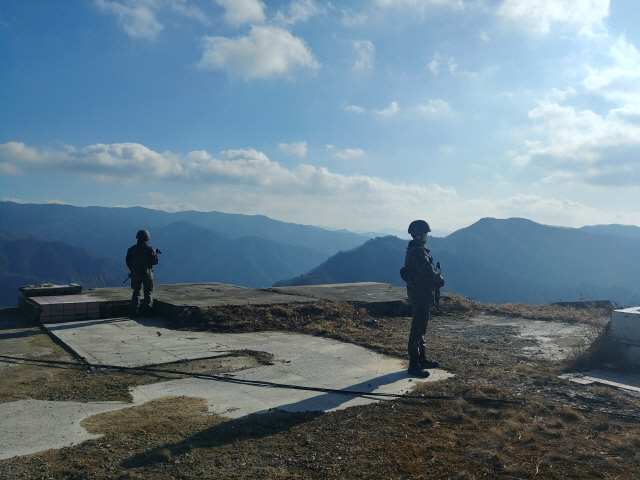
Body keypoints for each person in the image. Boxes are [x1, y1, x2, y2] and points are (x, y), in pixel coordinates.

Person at [402, 220, 445, 377]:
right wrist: (439, 279)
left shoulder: (412, 250)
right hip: (421, 295)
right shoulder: (419, 252)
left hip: (418, 294)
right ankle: (414, 364)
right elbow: (428, 273)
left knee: (421, 328)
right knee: (417, 329)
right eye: (425, 234)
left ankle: (421, 358)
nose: (427, 236)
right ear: (419, 235)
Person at [126, 229, 159, 317]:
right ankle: (147, 311)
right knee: (148, 293)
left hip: (135, 274)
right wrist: (155, 254)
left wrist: (132, 269)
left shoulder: (132, 249)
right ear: (147, 238)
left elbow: (128, 261)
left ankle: (134, 310)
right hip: (147, 274)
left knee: (136, 292)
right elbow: (155, 262)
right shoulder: (150, 249)